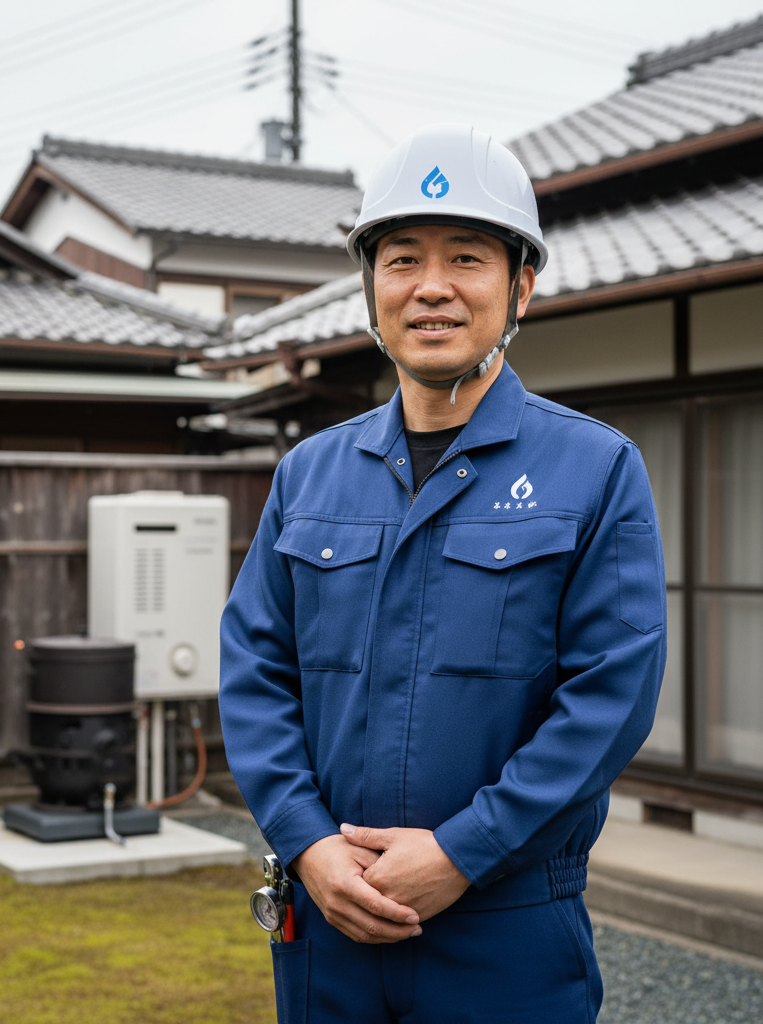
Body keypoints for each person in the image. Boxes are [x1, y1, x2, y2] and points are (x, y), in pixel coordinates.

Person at [218, 123, 666, 1024]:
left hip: (506, 928)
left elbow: (609, 698)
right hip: (327, 925)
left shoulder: (597, 468)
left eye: (467, 257)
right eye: (401, 260)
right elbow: (255, 674)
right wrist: (307, 845)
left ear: (521, 287)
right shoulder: (310, 473)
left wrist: (464, 850)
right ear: (369, 289)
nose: (431, 287)